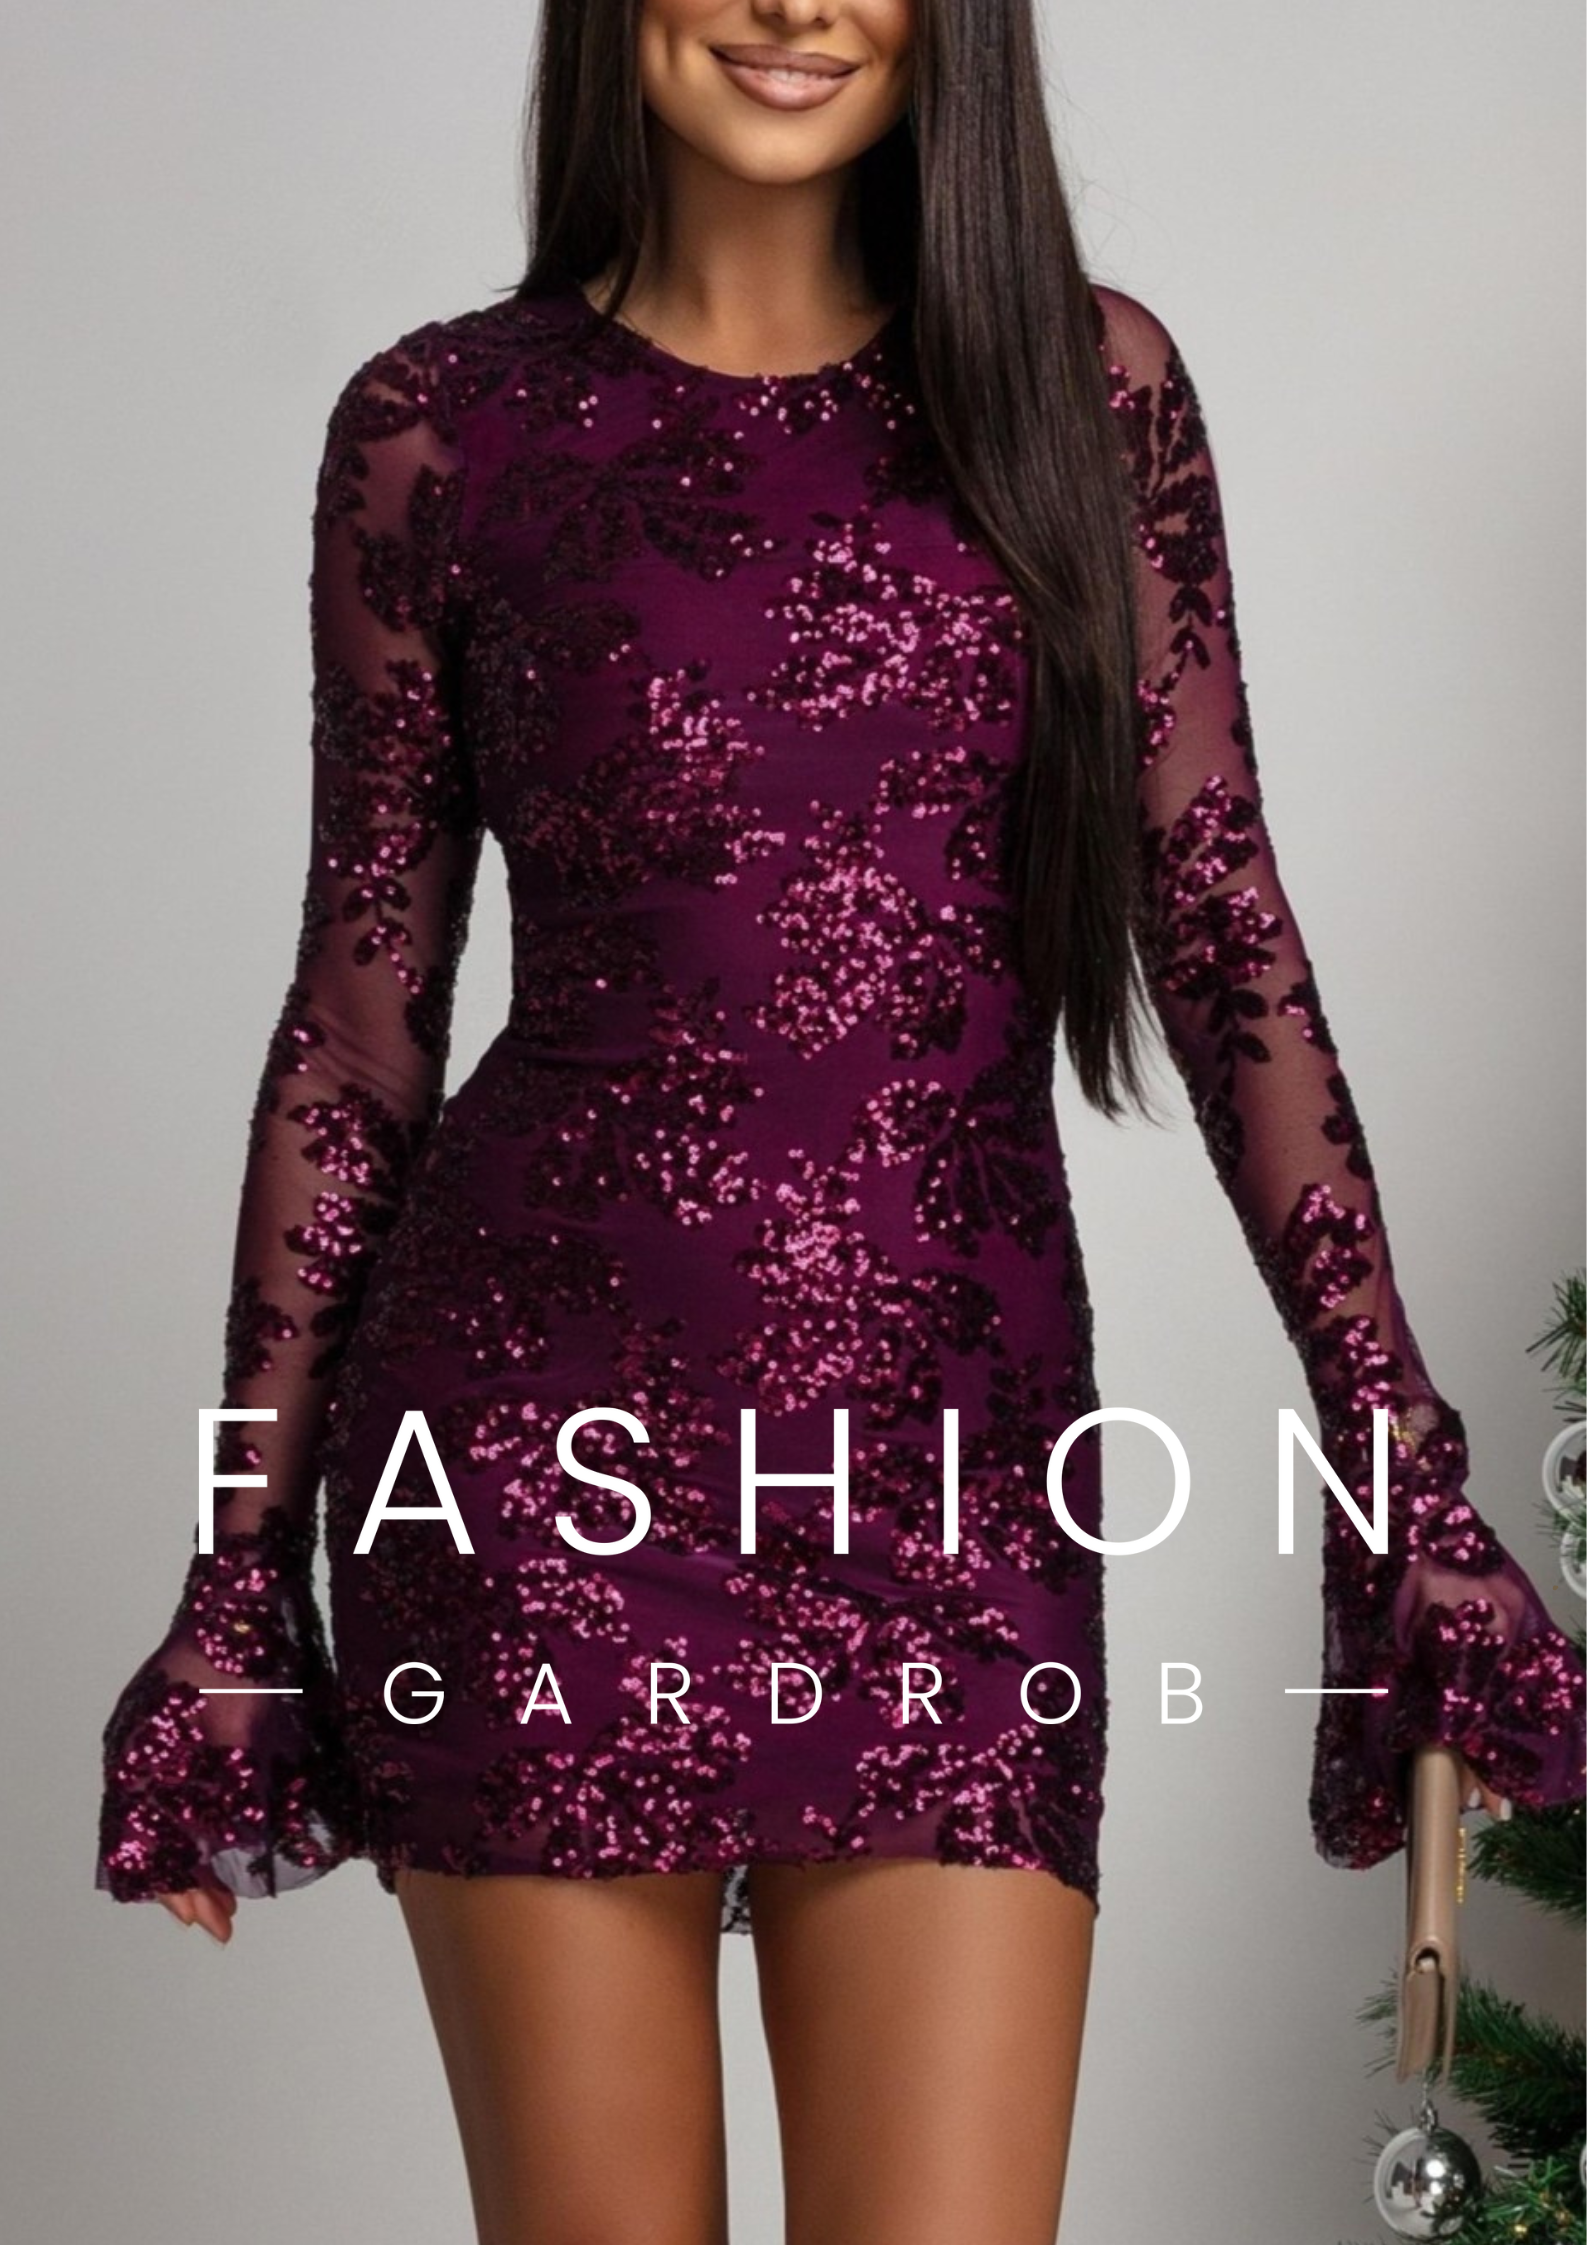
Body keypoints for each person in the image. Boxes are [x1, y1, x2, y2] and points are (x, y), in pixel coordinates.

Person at [94, 3, 1586, 2240]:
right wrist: (236, 1580)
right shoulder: (439, 430)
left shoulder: (1087, 395)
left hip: (955, 1491)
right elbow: (359, 1025)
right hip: (533, 1478)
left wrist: (1407, 1476)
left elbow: (1220, 936)